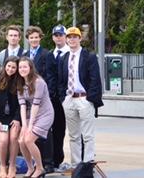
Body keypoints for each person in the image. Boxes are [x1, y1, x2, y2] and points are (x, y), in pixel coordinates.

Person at [56, 27, 103, 169]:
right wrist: (63, 98)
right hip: (69, 99)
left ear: (80, 38)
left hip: (84, 98)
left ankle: (88, 163)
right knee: (73, 135)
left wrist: (90, 99)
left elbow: (95, 79)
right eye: (69, 37)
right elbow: (60, 80)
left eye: (75, 37)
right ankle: (76, 165)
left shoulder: (88, 56)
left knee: (87, 135)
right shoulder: (64, 58)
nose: (72, 40)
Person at [17, 57, 54, 178]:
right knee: (21, 141)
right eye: (20, 67)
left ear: (31, 68)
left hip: (44, 114)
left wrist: (30, 125)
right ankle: (30, 168)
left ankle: (40, 168)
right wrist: (24, 125)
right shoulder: (20, 83)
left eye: (25, 67)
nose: (22, 69)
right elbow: (22, 106)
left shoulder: (39, 82)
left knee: (28, 140)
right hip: (30, 114)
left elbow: (35, 105)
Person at [0, 56, 21, 178]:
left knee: (13, 138)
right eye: (9, 66)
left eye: (13, 67)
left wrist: (17, 118)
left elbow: (21, 103)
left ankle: (12, 165)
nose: (11, 69)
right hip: (0, 117)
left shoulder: (19, 80)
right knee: (3, 140)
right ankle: (2, 165)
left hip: (14, 117)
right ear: (4, 65)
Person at [46, 24, 69, 171]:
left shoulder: (70, 53)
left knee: (70, 131)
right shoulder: (50, 54)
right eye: (56, 35)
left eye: (61, 35)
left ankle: (80, 161)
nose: (58, 38)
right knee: (54, 130)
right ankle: (55, 159)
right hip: (52, 99)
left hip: (66, 97)